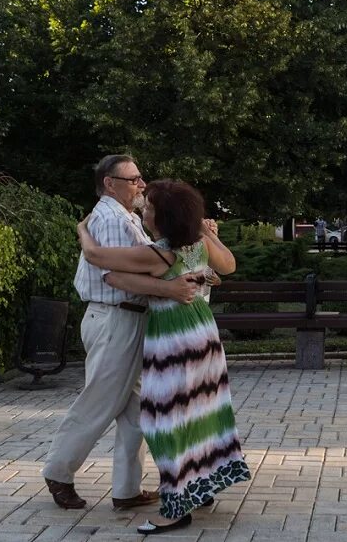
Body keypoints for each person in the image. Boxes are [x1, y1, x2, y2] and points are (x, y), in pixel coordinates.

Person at [76, 179, 250, 535]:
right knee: (201, 411)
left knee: (165, 420)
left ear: (164, 218)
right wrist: (205, 231)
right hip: (202, 335)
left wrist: (82, 229)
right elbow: (229, 264)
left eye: (150, 207)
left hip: (173, 340)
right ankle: (201, 487)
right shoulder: (197, 244)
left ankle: (175, 508)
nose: (144, 209)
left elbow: (98, 261)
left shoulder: (160, 254)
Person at [42, 155, 197, 512]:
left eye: (141, 178)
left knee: (137, 411)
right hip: (116, 319)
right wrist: (170, 289)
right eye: (133, 179)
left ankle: (126, 490)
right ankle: (58, 471)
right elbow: (113, 275)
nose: (141, 185)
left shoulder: (125, 216)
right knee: (99, 402)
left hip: (128, 319)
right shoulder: (110, 217)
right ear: (110, 183)